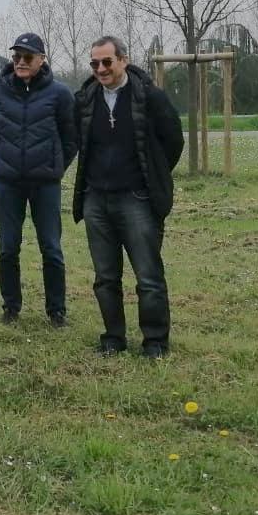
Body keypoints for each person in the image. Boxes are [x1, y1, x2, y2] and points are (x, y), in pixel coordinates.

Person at [72, 36, 184, 358]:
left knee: (148, 276)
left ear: (123, 60)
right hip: (96, 200)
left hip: (136, 199)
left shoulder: (149, 96)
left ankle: (155, 343)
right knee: (105, 278)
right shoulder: (85, 99)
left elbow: (172, 141)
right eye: (95, 63)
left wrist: (153, 173)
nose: (101, 69)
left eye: (107, 62)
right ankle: (113, 339)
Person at [0, 32, 77, 327]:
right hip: (8, 183)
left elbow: (70, 137)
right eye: (16, 57)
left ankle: (56, 310)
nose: (20, 62)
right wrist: (4, 161)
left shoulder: (60, 94)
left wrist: (55, 166)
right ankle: (11, 306)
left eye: (27, 57)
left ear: (41, 60)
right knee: (8, 246)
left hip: (45, 184)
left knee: (51, 247)